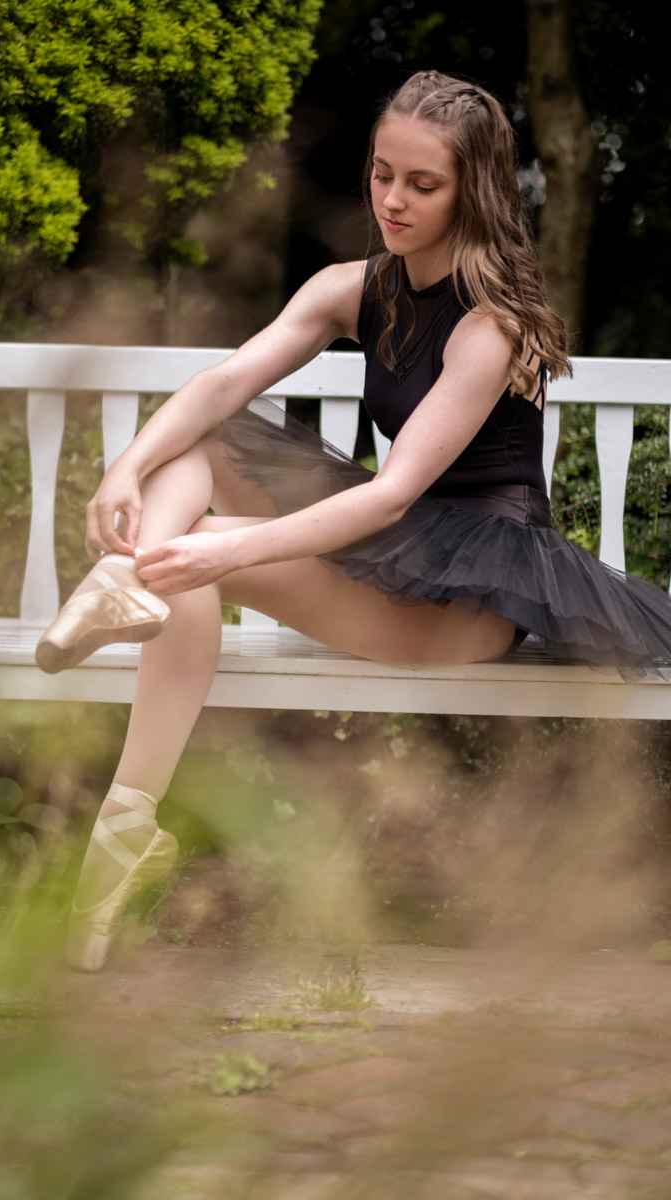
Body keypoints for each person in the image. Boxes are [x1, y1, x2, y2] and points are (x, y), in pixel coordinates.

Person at [37, 70, 671, 972]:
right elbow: (224, 383)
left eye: (423, 184)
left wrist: (213, 552)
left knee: (190, 564)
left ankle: (128, 635)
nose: (393, 200)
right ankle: (127, 610)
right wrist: (126, 468)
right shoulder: (352, 287)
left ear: (472, 190)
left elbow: (391, 494)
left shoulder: (489, 326)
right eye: (382, 175)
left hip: (464, 598)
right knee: (203, 450)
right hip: (385, 557)